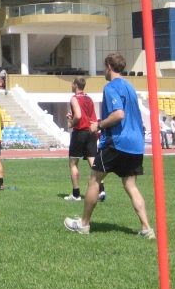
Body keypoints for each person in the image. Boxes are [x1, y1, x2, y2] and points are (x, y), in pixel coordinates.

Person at [64, 52, 154, 239]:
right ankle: (147, 228)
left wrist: (99, 125)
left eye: (104, 67)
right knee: (130, 184)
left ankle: (84, 224)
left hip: (117, 141)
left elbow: (118, 114)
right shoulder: (130, 87)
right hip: (135, 143)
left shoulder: (111, 87)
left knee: (94, 180)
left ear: (109, 66)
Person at [63, 77, 105, 201]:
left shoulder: (74, 98)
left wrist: (71, 122)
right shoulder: (89, 98)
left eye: (72, 84)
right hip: (91, 132)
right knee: (93, 161)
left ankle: (76, 194)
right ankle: (101, 190)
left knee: (73, 163)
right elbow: (87, 115)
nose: (71, 86)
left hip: (80, 132)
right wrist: (73, 117)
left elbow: (79, 116)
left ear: (76, 85)